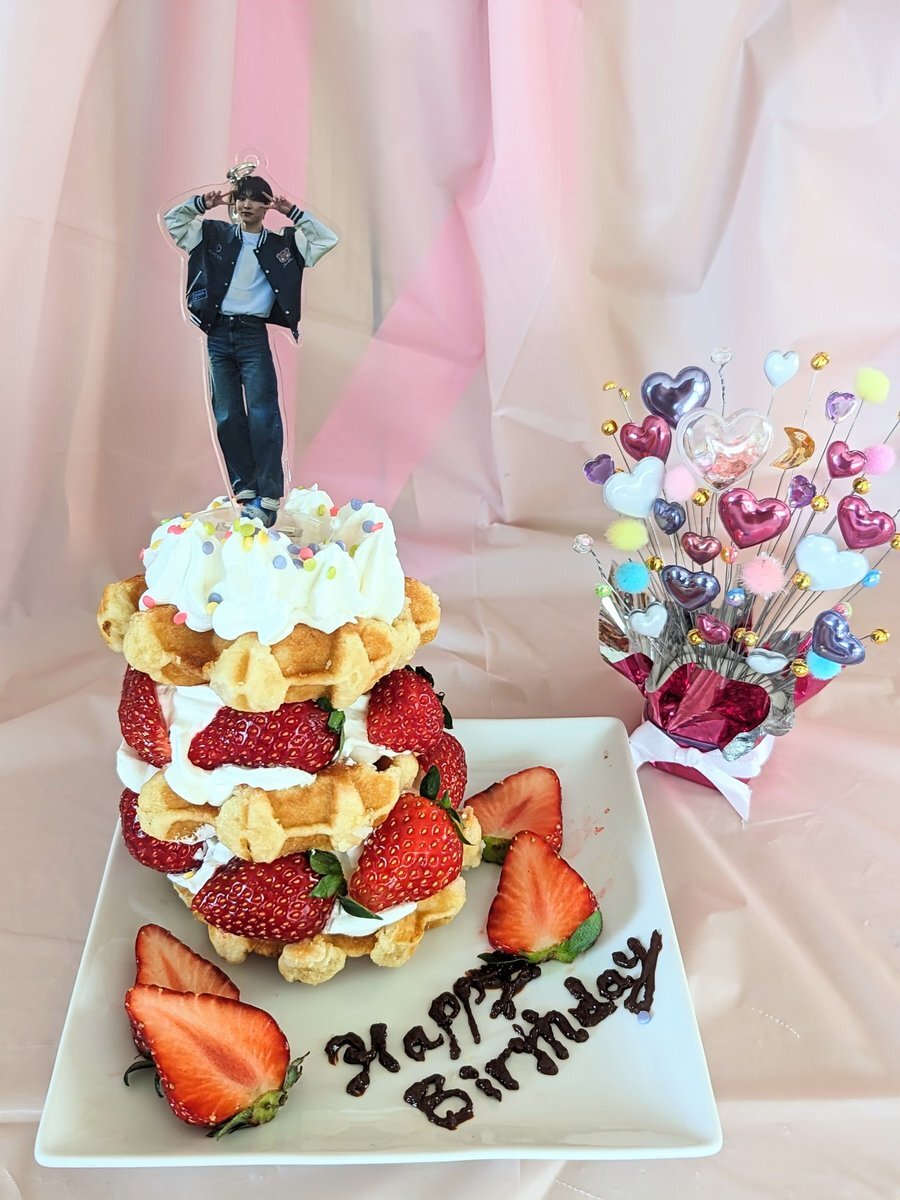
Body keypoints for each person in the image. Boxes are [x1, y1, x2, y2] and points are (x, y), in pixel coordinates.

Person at [163, 174, 338, 527]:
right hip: (217, 332)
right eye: (240, 197)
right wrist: (204, 204)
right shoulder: (213, 235)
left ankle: (268, 496)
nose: (246, 204)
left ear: (266, 205)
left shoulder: (282, 245)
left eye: (255, 198)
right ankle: (245, 492)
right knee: (227, 413)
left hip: (252, 334)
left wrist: (293, 213)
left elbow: (326, 240)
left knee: (263, 413)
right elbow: (173, 223)